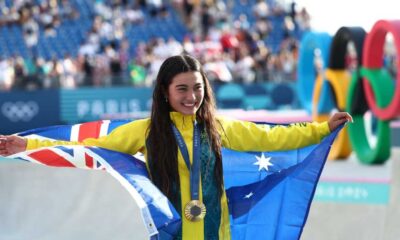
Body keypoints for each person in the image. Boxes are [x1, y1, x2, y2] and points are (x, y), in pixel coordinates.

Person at [0, 55, 352, 240]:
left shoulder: (218, 128)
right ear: (165, 91)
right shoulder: (145, 132)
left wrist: (322, 128)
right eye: (182, 89)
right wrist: (27, 144)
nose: (191, 96)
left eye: (197, 88)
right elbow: (87, 149)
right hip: (172, 234)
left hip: (217, 235)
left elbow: (273, 138)